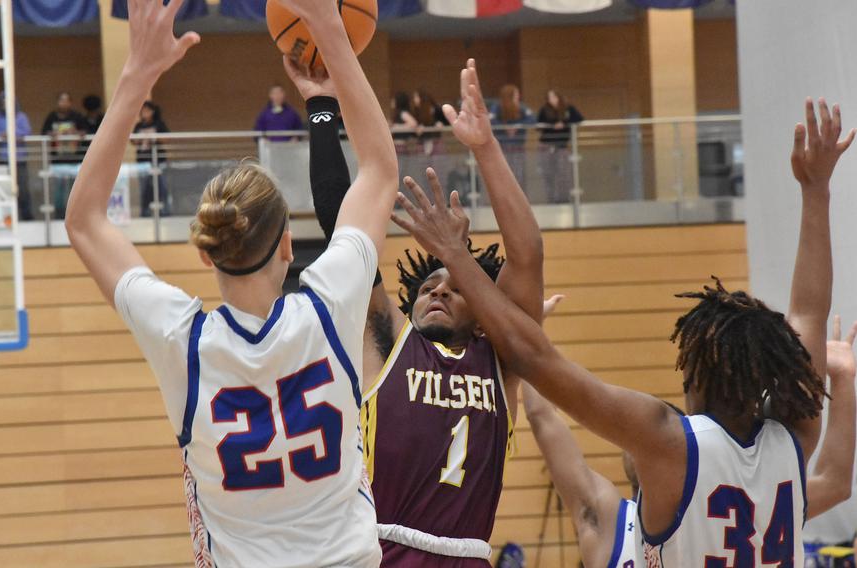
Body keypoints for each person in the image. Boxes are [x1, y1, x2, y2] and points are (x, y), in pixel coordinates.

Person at [392, 97, 854, 567]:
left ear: (694, 372)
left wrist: (457, 256)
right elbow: (810, 316)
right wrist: (816, 190)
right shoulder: (795, 440)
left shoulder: (671, 442)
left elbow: (535, 359)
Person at [64, 0, 397, 565]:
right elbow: (379, 169)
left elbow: (84, 220)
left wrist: (137, 73)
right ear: (289, 247)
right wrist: (329, 38)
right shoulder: (330, 307)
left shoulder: (183, 341)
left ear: (205, 254)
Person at [287, 57, 543, 566]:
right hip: (379, 551)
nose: (439, 291)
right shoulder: (390, 343)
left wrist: (485, 150)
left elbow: (528, 254)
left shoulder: (503, 360)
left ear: (483, 312)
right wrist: (321, 109)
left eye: (455, 287)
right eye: (428, 286)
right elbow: (345, 228)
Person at [524, 294, 857, 568]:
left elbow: (834, 484)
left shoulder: (741, 492)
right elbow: (543, 418)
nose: (637, 440)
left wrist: (526, 335)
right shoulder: (607, 515)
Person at [0, 93, 34, 221]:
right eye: (3, 102)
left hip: (19, 158)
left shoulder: (21, 116)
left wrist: (12, 133)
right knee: (4, 188)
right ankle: (7, 217)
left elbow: (26, 131)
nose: (6, 104)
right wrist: (2, 134)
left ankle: (26, 216)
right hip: (3, 158)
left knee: (23, 189)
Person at [42, 91, 86, 219]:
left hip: (74, 160)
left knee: (75, 191)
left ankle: (75, 217)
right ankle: (60, 216)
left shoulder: (77, 116)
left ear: (70, 102)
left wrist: (75, 132)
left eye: (66, 100)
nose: (64, 103)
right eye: (61, 100)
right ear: (58, 102)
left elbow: (85, 132)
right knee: (59, 193)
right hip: (58, 161)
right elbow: (44, 132)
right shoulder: (51, 117)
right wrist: (53, 134)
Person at [536, 90, 583, 204]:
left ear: (559, 97)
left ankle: (563, 199)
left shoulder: (568, 109)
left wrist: (564, 123)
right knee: (548, 173)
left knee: (563, 174)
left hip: (561, 146)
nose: (551, 99)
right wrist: (552, 125)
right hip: (546, 145)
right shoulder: (544, 110)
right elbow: (538, 124)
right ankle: (551, 199)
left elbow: (579, 119)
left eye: (553, 96)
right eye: (549, 97)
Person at [489, 85, 533, 192]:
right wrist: (504, 127)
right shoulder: (497, 107)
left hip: (518, 147)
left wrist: (518, 125)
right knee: (503, 174)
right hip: (502, 147)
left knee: (519, 175)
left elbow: (532, 119)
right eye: (516, 94)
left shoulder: (521, 107)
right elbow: (490, 120)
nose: (518, 96)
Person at [132, 101, 170, 217]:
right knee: (144, 187)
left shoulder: (159, 124)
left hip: (158, 159)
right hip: (143, 160)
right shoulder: (139, 125)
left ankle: (165, 210)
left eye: (146, 110)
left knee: (162, 186)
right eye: (142, 110)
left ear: (153, 111)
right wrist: (140, 138)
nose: (144, 112)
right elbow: (133, 141)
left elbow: (166, 139)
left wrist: (154, 136)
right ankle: (145, 211)